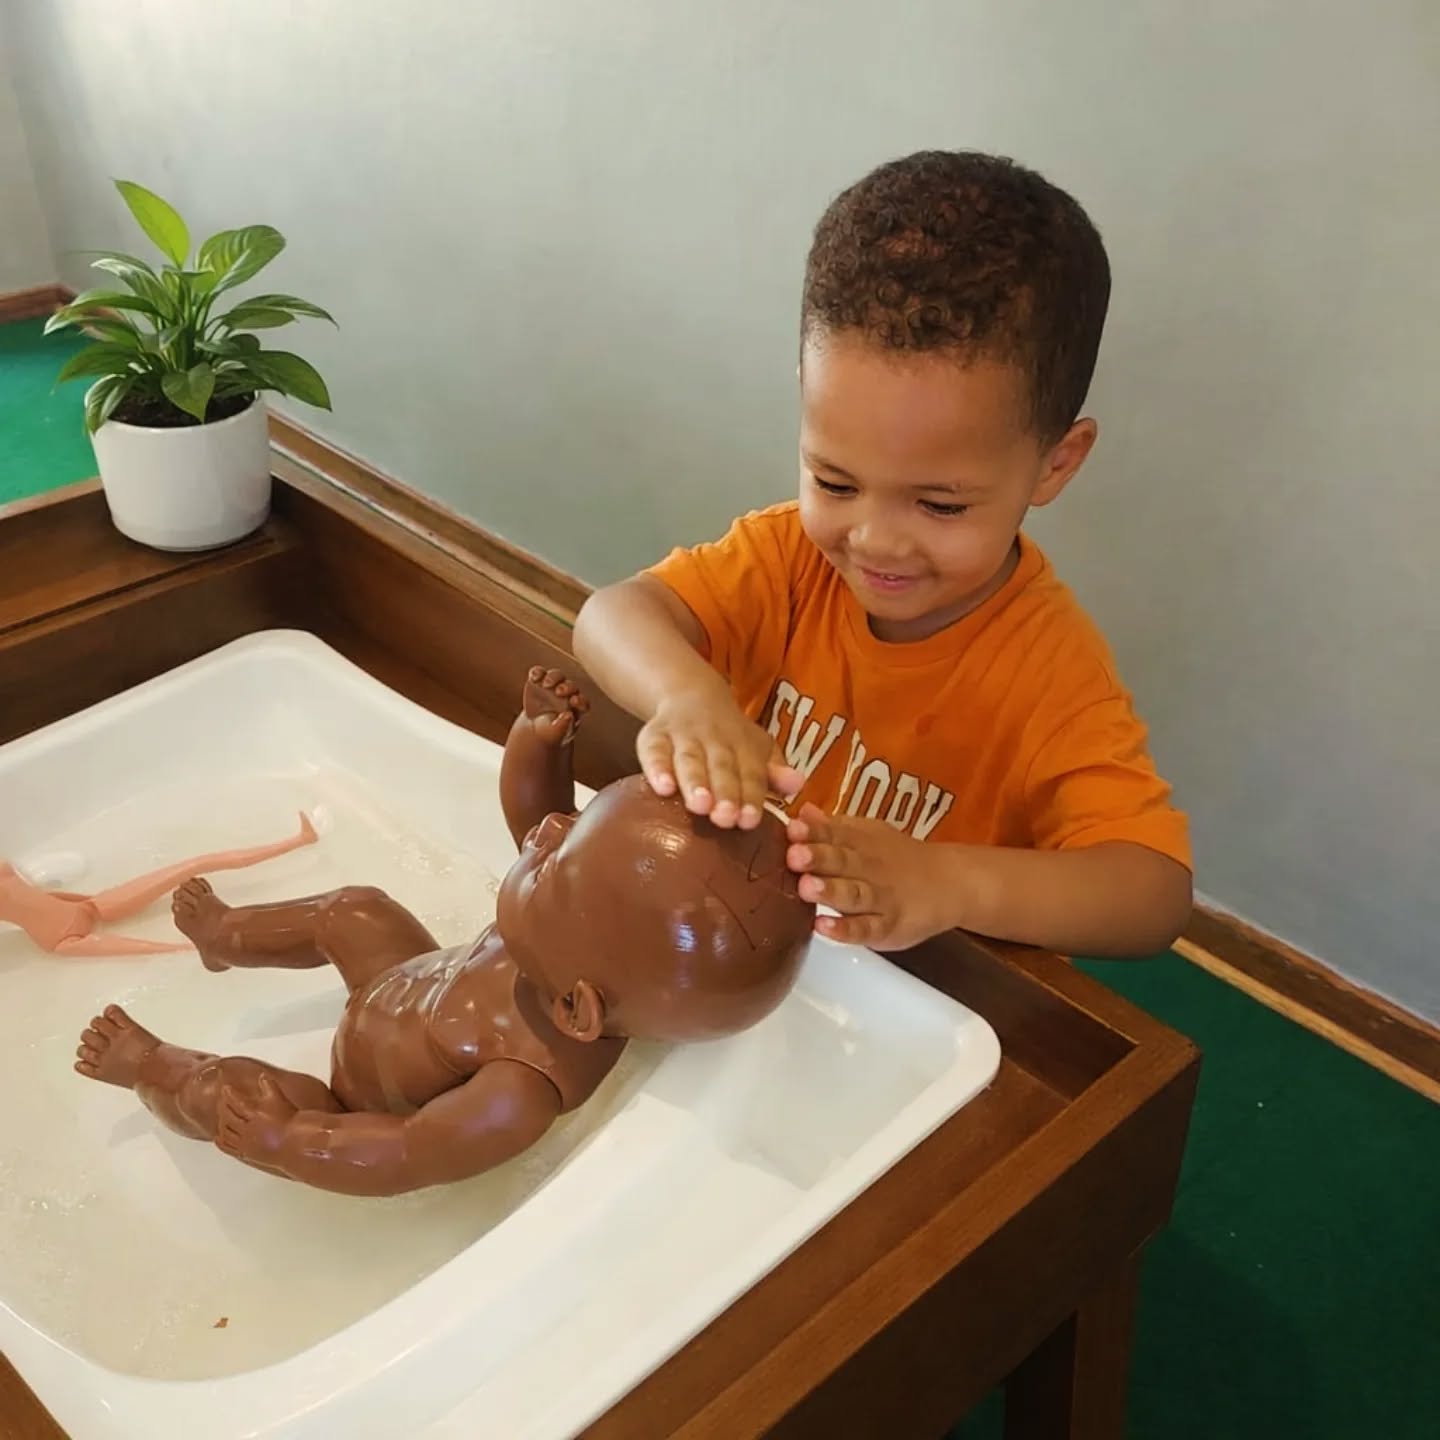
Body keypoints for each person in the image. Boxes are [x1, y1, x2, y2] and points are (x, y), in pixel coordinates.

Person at [572, 150, 1192, 959]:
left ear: (1055, 464)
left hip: (923, 990)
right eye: (834, 481)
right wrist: (688, 696)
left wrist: (951, 882)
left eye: (939, 504)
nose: (874, 540)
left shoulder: (1050, 671)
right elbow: (611, 614)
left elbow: (1152, 894)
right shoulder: (788, 556)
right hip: (745, 934)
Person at [74, 669, 812, 1197]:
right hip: (403, 979)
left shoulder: (520, 1092)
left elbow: (406, 1154)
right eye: (576, 823)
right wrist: (541, 744)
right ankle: (227, 938)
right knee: (354, 909)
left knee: (235, 1092)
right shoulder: (575, 937)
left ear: (575, 1010)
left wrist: (287, 1142)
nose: (550, 829)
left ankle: (154, 1068)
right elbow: (535, 817)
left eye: (560, 852)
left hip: (351, 1099)